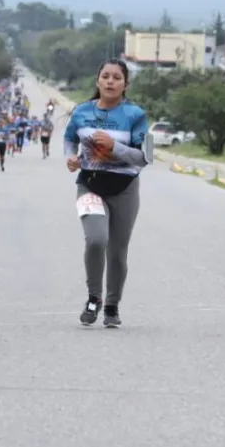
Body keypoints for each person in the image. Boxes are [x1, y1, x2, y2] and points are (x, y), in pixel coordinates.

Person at [64, 59, 149, 329]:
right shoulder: (81, 111)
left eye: (117, 78)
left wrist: (114, 147)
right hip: (90, 184)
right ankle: (94, 298)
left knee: (117, 251)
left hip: (124, 188)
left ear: (125, 84)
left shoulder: (136, 115)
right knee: (96, 240)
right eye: (106, 76)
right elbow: (69, 139)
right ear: (97, 81)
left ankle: (112, 306)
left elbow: (144, 157)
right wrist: (70, 157)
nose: (110, 82)